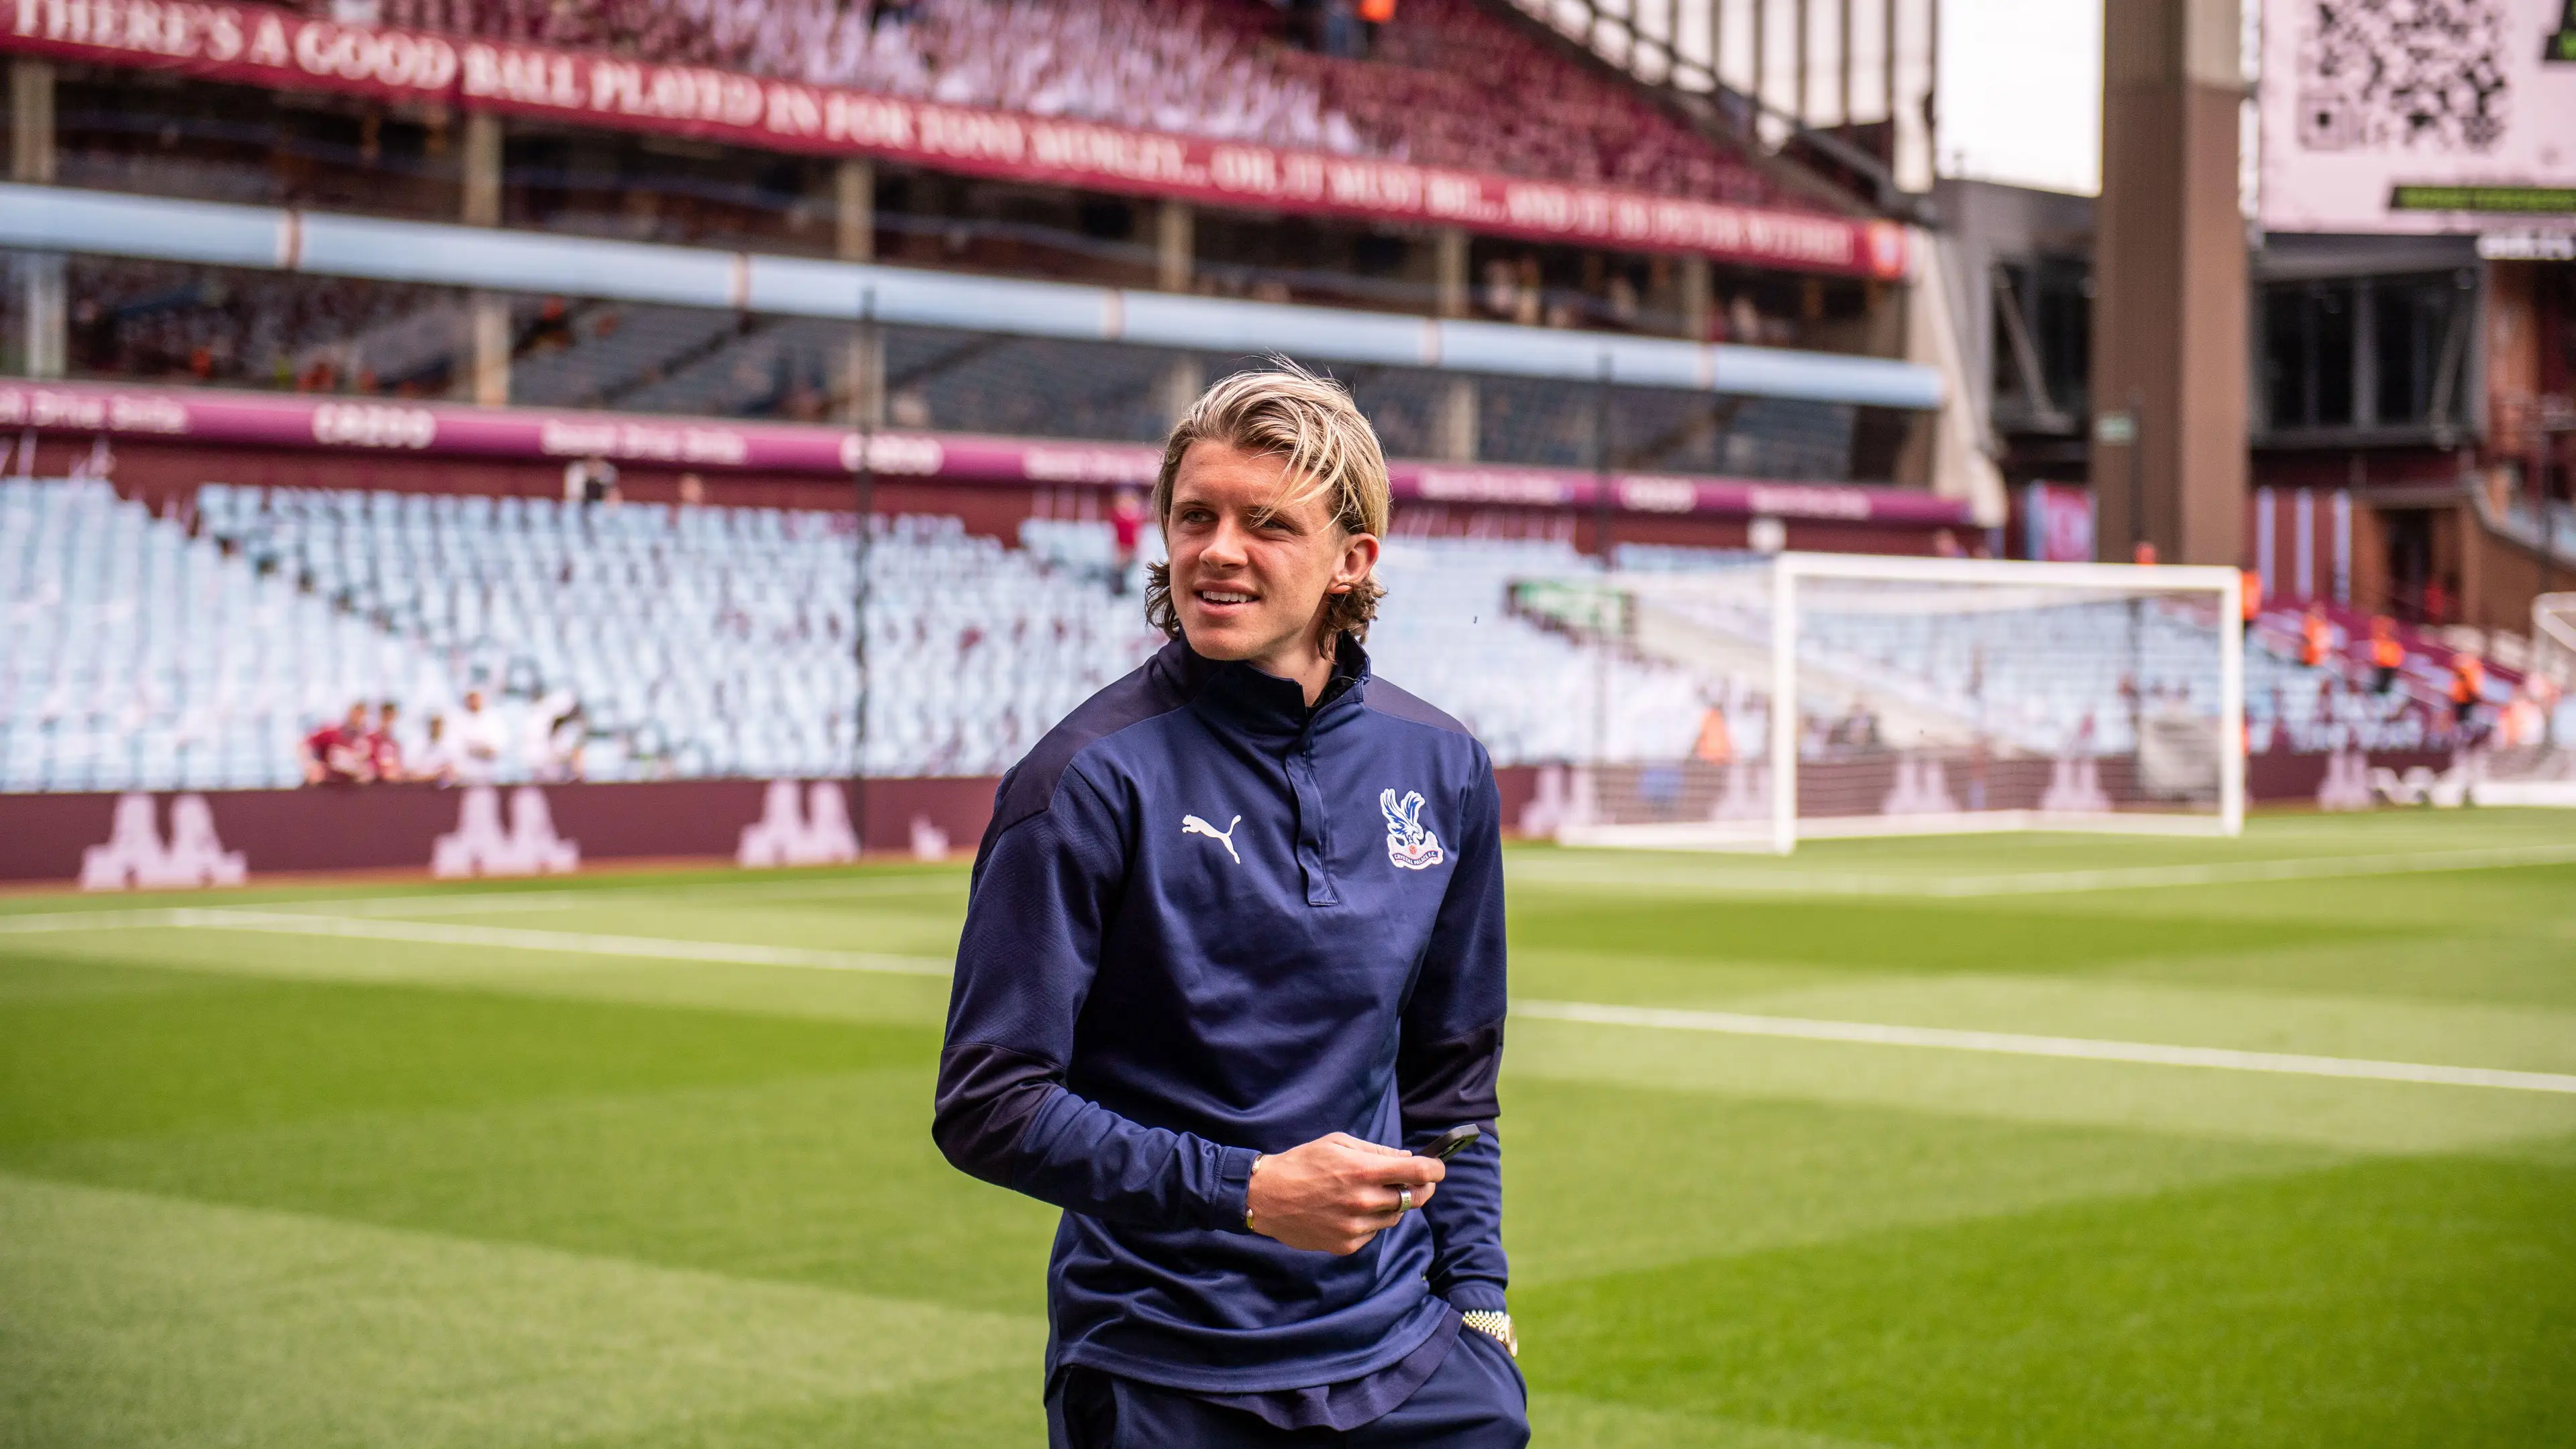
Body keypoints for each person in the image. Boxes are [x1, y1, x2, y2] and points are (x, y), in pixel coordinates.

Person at [936, 368, 1523, 1448]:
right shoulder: (1082, 782)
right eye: (1195, 515)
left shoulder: (1444, 767)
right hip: (1168, 1372)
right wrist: (1249, 1190)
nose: (1217, 549)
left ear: (1354, 560)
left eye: (1268, 524)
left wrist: (1478, 1303)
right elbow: (989, 1103)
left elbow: (1452, 1080)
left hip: (1409, 1362)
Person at [303, 702, 372, 785]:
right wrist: (311, 764)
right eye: (356, 713)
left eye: (362, 715)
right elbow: (304, 744)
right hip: (328, 787)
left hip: (353, 789)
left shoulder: (368, 740)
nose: (359, 718)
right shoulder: (333, 733)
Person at [449, 690, 508, 785]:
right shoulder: (457, 719)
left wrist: (474, 749)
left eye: (476, 698)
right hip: (465, 777)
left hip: (489, 775)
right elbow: (455, 748)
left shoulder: (492, 719)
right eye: (471, 698)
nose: (474, 701)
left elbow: (497, 749)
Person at [2449, 649, 2486, 742]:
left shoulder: (2474, 669)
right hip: (2462, 698)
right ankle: (2460, 739)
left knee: (2465, 722)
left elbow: (2473, 685)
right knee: (2461, 721)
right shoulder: (2465, 669)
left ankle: (2463, 739)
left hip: (2468, 699)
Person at [366, 699, 407, 783]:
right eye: (387, 716)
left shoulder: (395, 740)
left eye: (392, 716)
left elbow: (397, 762)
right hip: (376, 780)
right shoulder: (372, 737)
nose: (389, 719)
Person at [2369, 616, 2404, 695]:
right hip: (2381, 673)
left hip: (2388, 673)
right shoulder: (2379, 644)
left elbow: (2395, 662)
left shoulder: (2395, 646)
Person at [2299, 603, 2332, 670]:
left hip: (2317, 659)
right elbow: (2306, 639)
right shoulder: (2311, 622)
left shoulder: (2322, 625)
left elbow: (2327, 642)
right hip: (2311, 659)